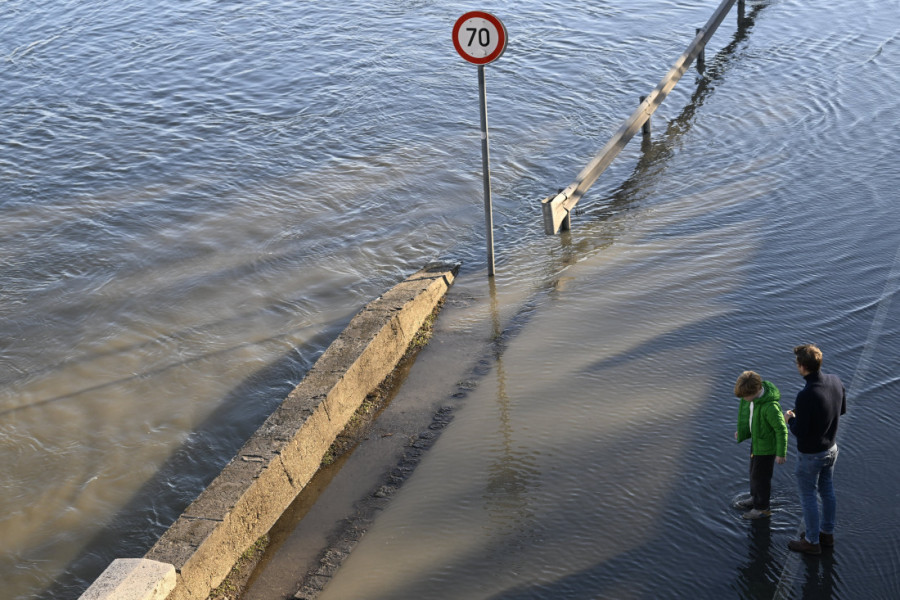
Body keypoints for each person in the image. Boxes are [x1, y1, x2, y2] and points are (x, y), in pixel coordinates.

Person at [785, 344, 847, 555]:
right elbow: (842, 410)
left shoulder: (806, 395)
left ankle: (811, 542)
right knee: (827, 490)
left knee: (808, 495)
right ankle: (827, 534)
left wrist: (790, 420)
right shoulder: (836, 381)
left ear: (802, 367)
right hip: (832, 448)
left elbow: (800, 432)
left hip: (811, 455)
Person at [733, 371, 788, 519]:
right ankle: (754, 498)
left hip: (767, 450)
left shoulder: (770, 407)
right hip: (757, 444)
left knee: (761, 479)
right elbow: (753, 420)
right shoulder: (753, 401)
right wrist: (743, 432)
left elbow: (781, 430)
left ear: (755, 391)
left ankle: (762, 508)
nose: (744, 399)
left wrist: (781, 453)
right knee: (753, 474)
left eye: (745, 396)